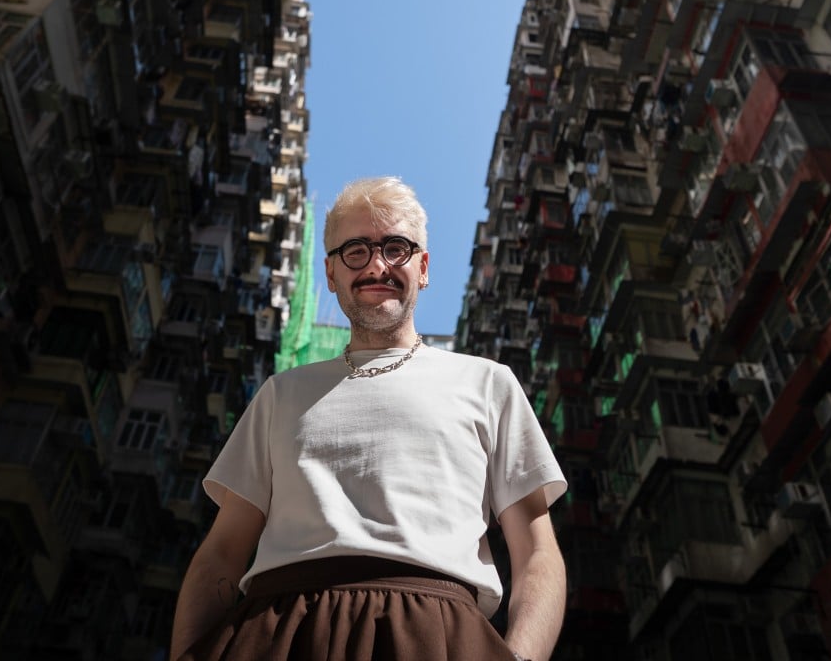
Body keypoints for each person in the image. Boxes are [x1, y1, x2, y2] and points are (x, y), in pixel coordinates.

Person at [171, 177, 567, 661]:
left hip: (439, 634)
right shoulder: (280, 394)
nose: (378, 265)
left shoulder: (489, 384)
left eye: (396, 248)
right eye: (356, 250)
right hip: (276, 633)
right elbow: (221, 554)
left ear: (422, 268)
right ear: (331, 272)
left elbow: (537, 554)